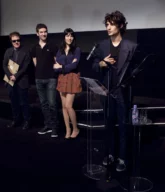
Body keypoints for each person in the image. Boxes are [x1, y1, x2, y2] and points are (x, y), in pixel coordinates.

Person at [92, 11, 138, 172]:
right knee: (108, 125)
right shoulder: (102, 45)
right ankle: (110, 154)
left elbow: (136, 72)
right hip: (106, 91)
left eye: (111, 24)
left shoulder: (131, 47)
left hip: (123, 92)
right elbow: (93, 65)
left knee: (124, 126)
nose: (108, 27)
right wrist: (101, 64)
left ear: (120, 25)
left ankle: (122, 158)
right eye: (107, 24)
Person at [31, 24, 59, 137]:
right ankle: (47, 125)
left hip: (51, 79)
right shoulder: (34, 47)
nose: (44, 34)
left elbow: (56, 62)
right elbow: (35, 62)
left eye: (45, 31)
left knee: (52, 104)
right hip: (39, 79)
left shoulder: (52, 46)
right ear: (37, 33)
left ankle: (55, 127)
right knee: (44, 104)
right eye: (41, 32)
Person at [53, 28, 82, 139]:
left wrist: (61, 66)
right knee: (63, 107)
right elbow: (55, 68)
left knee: (69, 106)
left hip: (72, 78)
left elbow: (74, 66)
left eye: (71, 36)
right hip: (62, 78)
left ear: (73, 37)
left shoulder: (77, 50)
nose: (69, 38)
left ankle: (75, 128)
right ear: (64, 37)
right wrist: (64, 66)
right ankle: (68, 129)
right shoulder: (60, 50)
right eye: (67, 35)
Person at [3, 31, 31, 130]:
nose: (16, 42)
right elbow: (4, 65)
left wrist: (16, 76)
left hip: (21, 80)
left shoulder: (26, 51)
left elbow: (25, 67)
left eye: (18, 40)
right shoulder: (8, 51)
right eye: (14, 41)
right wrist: (10, 75)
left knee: (24, 102)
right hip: (10, 80)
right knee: (14, 102)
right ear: (11, 42)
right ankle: (16, 120)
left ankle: (27, 121)